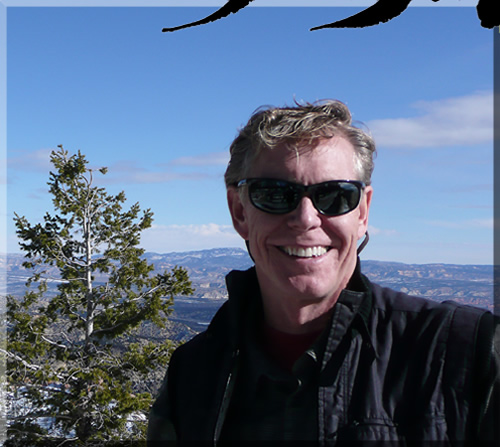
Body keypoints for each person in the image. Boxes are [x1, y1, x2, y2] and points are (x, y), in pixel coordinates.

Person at [147, 100, 499, 443]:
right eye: (274, 194)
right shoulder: (194, 373)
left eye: (334, 196)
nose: (305, 219)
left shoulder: (467, 355)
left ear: (362, 212)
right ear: (239, 210)